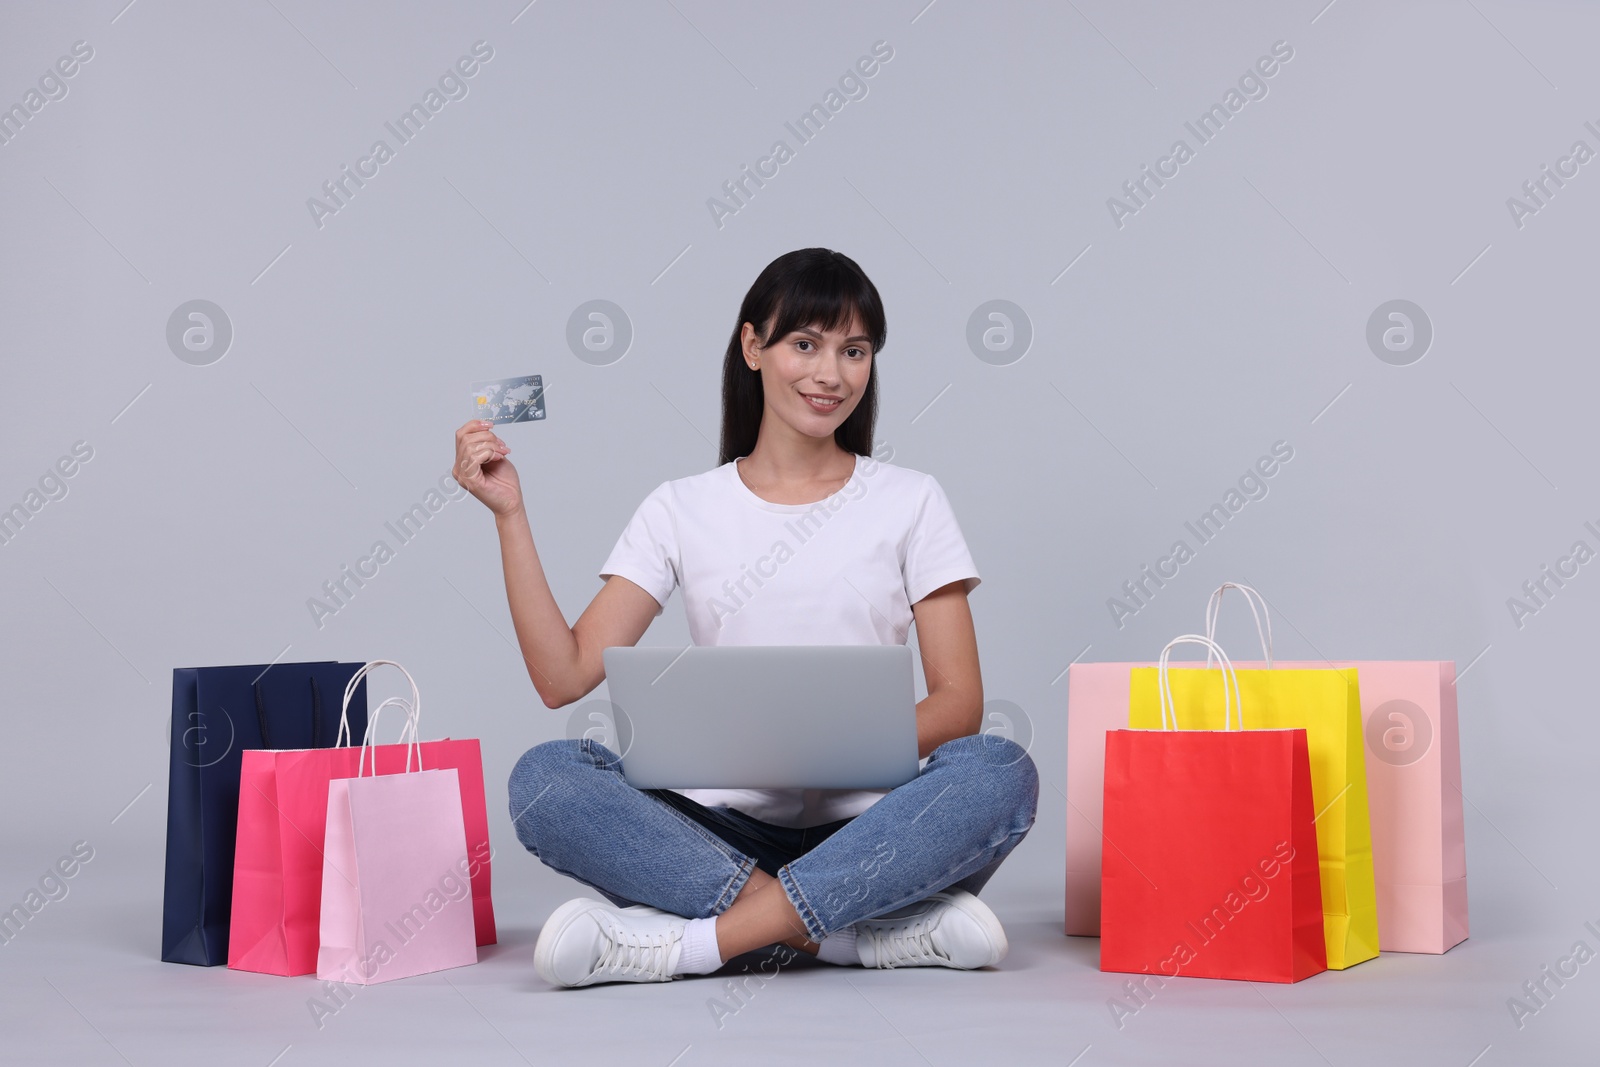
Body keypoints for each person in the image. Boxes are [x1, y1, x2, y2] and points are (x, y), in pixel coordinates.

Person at [451, 247, 1038, 988]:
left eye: (853, 351)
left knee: (999, 769)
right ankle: (853, 935)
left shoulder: (911, 500)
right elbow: (561, 676)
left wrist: (826, 749)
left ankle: (695, 944)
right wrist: (510, 515)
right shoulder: (680, 507)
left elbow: (960, 704)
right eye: (806, 344)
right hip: (715, 833)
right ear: (753, 345)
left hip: (871, 832)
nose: (831, 374)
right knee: (546, 779)